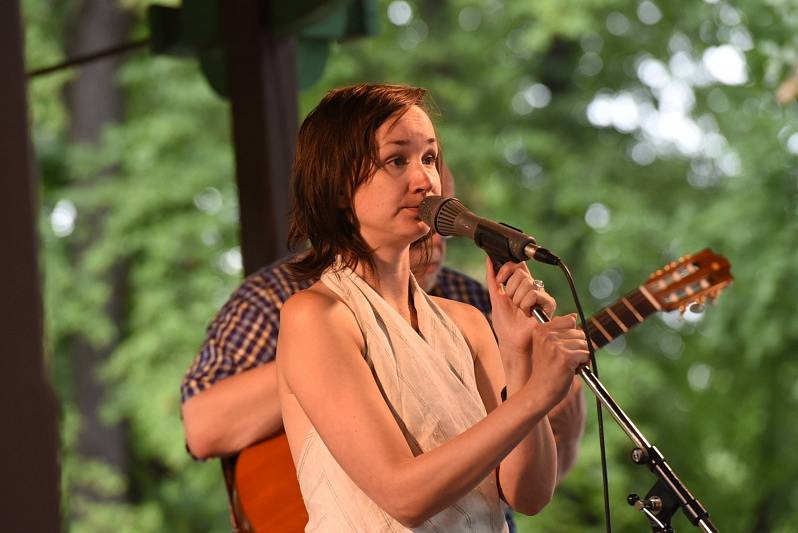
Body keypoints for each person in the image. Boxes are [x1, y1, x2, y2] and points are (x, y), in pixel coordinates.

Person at [272, 83, 589, 532]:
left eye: (429, 158)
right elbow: (403, 495)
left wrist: (519, 358)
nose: (426, 181)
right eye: (397, 160)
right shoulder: (316, 317)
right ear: (340, 186)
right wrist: (540, 394)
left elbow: (529, 495)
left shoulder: (466, 322)